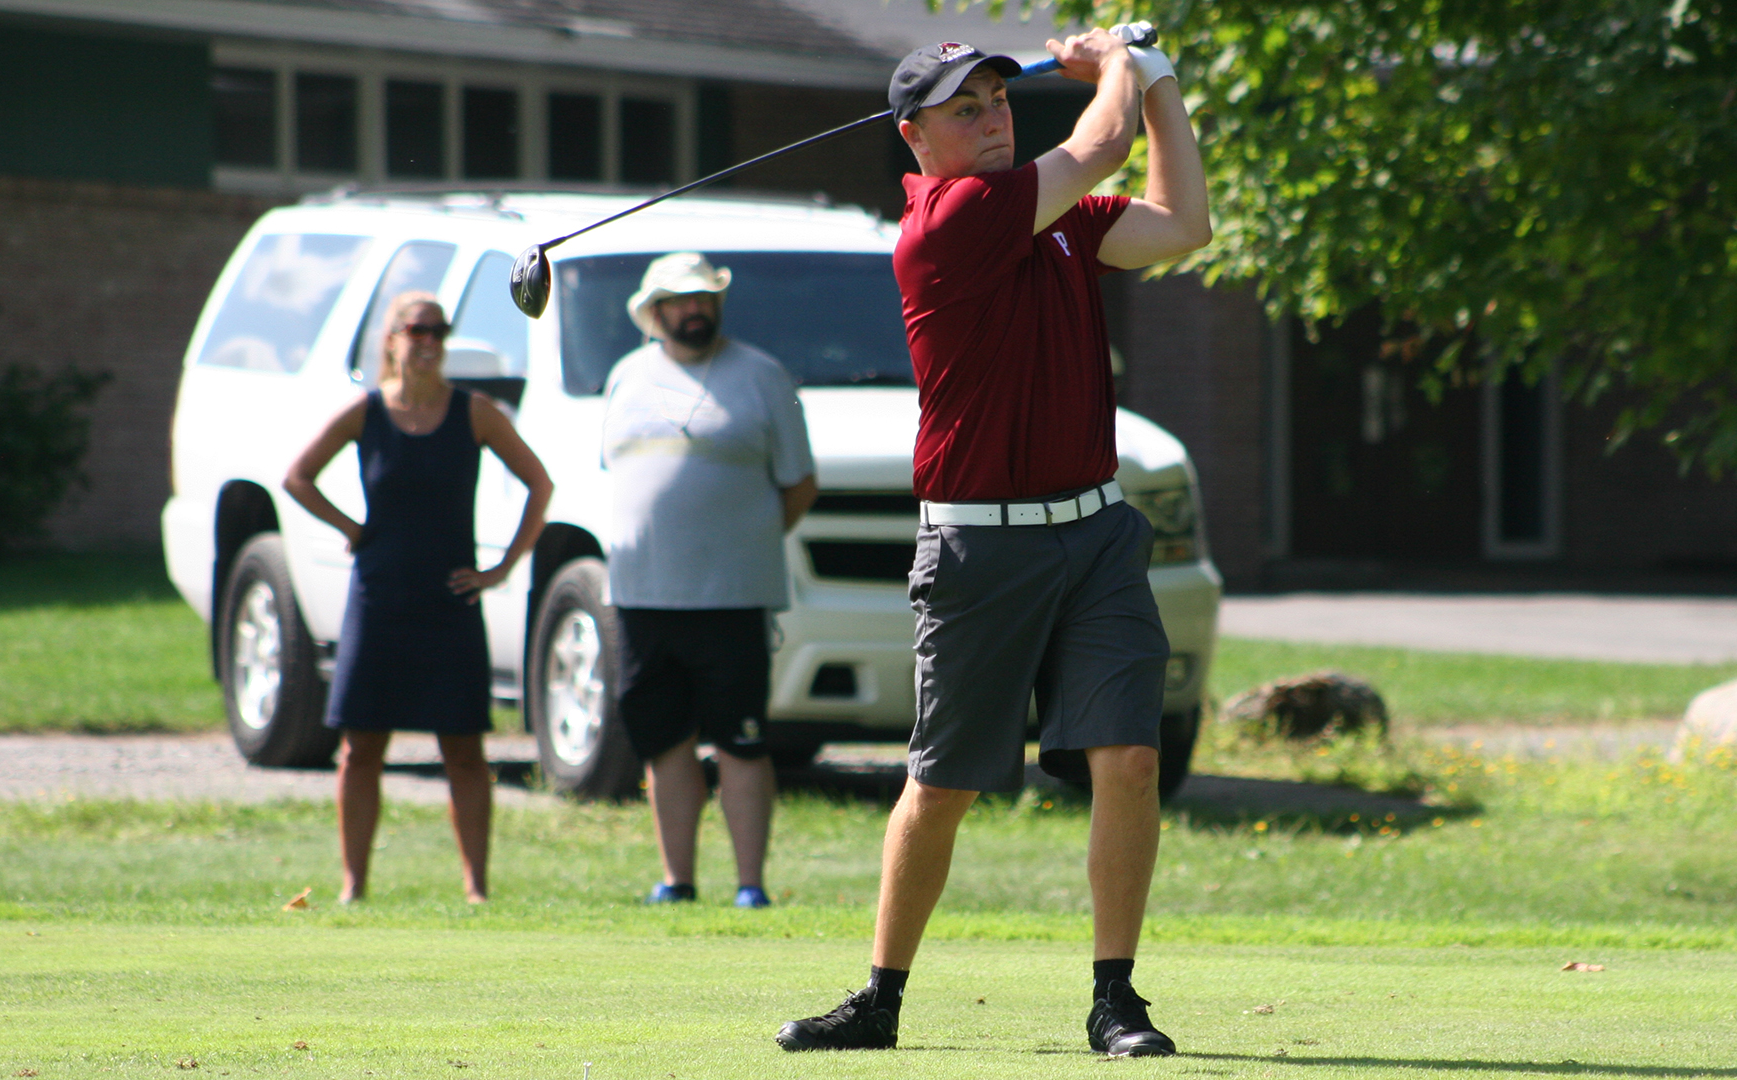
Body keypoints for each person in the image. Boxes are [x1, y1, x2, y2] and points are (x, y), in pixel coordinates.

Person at [776, 25, 1209, 1056]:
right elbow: (1098, 148)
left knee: (1132, 761)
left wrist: (1161, 84)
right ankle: (879, 999)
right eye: (966, 108)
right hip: (979, 550)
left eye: (1003, 102)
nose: (994, 120)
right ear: (914, 136)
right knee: (945, 782)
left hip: (1095, 534)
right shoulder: (949, 220)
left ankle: (1115, 999)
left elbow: (1182, 225)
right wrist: (1120, 68)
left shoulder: (1055, 224)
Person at [284, 291, 554, 904]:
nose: (428, 341)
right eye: (416, 329)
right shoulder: (366, 413)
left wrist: (501, 567)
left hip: (450, 599)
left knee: (462, 747)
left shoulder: (474, 412)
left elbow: (540, 484)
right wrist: (351, 529)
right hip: (378, 596)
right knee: (361, 747)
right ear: (392, 339)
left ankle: (476, 889)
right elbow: (297, 477)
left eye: (438, 330)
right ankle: (354, 887)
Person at [600, 252, 818, 909]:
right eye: (680, 300)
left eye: (704, 298)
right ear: (655, 311)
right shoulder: (625, 377)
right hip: (642, 594)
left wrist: (739, 542)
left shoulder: (762, 376)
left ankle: (750, 885)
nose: (695, 309)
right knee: (663, 739)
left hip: (733, 597)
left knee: (741, 741)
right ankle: (678, 880)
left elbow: (799, 484)